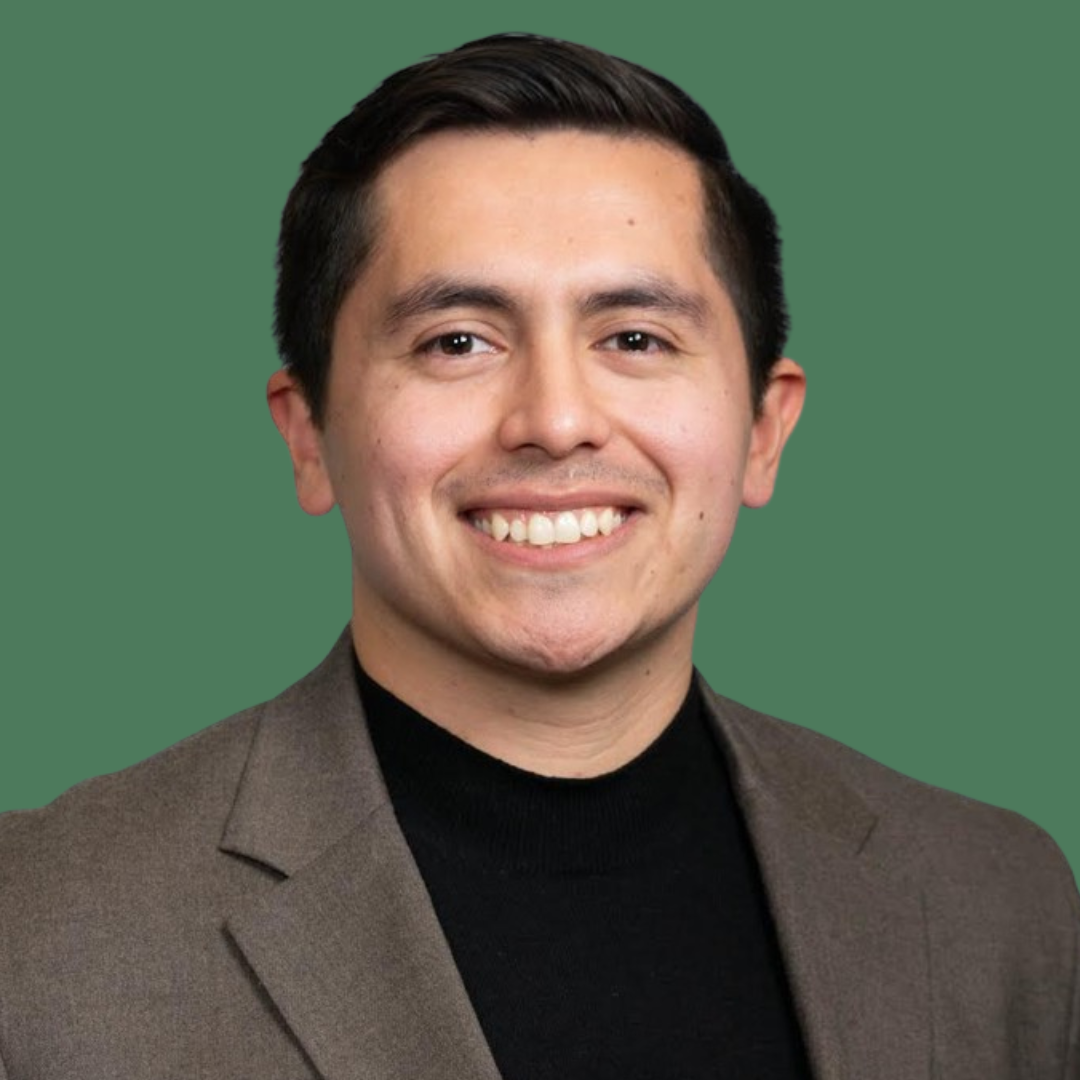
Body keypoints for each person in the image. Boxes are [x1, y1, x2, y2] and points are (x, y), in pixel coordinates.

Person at [0, 32, 1075, 1080]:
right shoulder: (38, 932)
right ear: (308, 436)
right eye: (456, 340)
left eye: (636, 339)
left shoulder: (999, 906)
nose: (556, 421)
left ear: (763, 428)